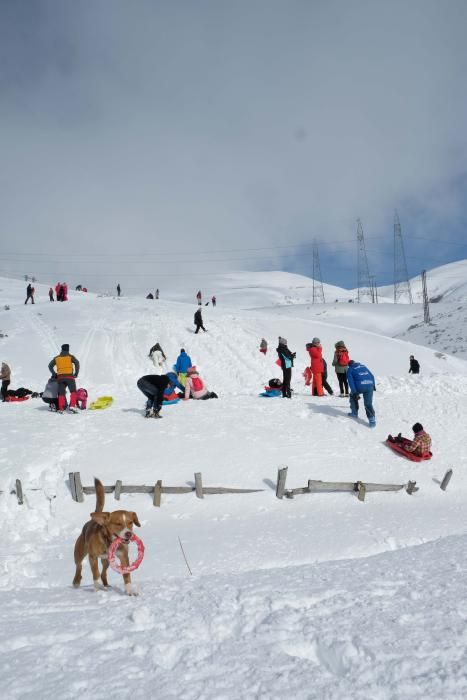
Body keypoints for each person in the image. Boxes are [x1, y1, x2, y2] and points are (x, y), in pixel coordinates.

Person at [48, 344, 80, 413]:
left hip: (60, 378)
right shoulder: (70, 357)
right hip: (70, 377)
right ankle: (72, 406)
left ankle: (61, 408)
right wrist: (76, 373)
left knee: (61, 393)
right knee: (73, 391)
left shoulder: (57, 358)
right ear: (68, 349)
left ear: (62, 349)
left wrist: (54, 373)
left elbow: (50, 366)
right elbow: (77, 363)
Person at [346, 359, 376, 427]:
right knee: (368, 404)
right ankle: (372, 421)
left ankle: (354, 413)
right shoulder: (363, 366)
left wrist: (354, 392)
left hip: (360, 387)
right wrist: (373, 385)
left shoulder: (350, 369)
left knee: (352, 397)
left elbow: (350, 382)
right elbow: (372, 375)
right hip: (369, 386)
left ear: (349, 365)